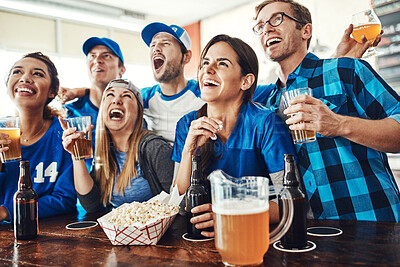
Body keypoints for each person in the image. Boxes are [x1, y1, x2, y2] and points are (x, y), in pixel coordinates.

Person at [252, 0, 400, 221]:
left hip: (372, 221)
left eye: (277, 19)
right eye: (261, 26)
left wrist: (340, 124)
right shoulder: (270, 102)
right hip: (312, 234)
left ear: (306, 30)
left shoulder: (346, 70)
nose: (268, 29)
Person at [172, 34, 296, 237]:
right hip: (200, 239)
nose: (207, 70)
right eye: (205, 63)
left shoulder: (266, 123)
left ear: (245, 81)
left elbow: (289, 201)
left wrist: (229, 216)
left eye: (222, 64)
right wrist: (189, 150)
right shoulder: (186, 125)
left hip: (253, 237)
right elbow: (179, 203)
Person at [60, 79, 174, 212]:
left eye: (126, 95)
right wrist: (76, 155)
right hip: (119, 230)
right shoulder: (104, 150)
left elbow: (176, 201)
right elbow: (91, 205)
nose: (116, 100)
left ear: (138, 112)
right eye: (110, 95)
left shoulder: (154, 148)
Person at [0, 52, 76, 223]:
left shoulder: (64, 133)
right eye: (17, 72)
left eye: (37, 74)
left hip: (49, 236)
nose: (25, 78)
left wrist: (7, 211)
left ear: (52, 91)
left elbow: (65, 198)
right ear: (8, 86)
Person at [140, 22, 205, 143]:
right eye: (153, 45)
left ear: (186, 57)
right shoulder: (144, 97)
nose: (156, 49)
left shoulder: (203, 94)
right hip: (156, 158)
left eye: (165, 43)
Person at [63, 37, 126, 154]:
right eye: (92, 56)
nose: (97, 60)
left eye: (106, 56)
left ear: (121, 69)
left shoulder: (133, 111)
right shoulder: (68, 113)